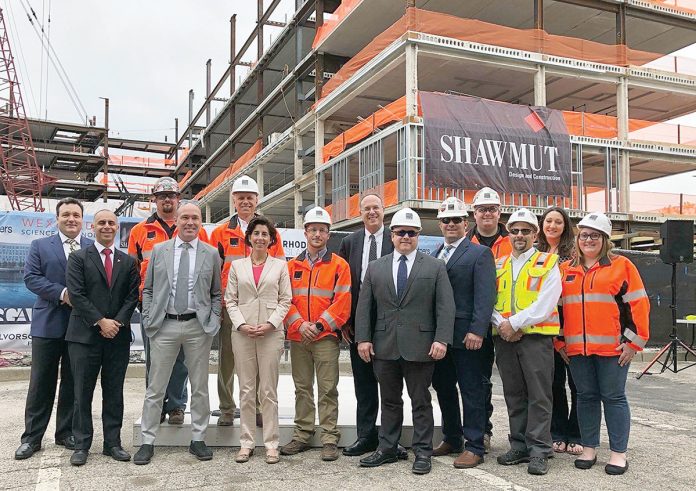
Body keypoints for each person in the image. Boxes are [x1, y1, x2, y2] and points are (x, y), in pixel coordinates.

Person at [356, 208, 455, 475]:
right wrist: (363, 339)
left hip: (421, 347)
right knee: (389, 400)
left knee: (420, 401)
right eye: (401, 232)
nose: (406, 237)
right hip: (384, 345)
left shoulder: (435, 267)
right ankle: (387, 448)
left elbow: (445, 307)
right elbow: (364, 307)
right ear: (392, 235)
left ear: (419, 236)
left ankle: (423, 452)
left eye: (411, 233)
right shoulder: (375, 268)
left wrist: (442, 339)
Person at [558, 212, 649, 475]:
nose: (588, 240)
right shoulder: (566, 270)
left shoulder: (622, 266)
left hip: (614, 350)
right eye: (584, 235)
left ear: (605, 239)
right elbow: (558, 311)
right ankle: (589, 449)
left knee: (614, 398)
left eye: (594, 235)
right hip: (576, 351)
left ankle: (618, 454)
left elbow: (639, 305)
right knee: (585, 398)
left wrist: (633, 343)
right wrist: (560, 343)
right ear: (578, 239)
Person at [134, 201, 223, 465]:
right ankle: (147, 441)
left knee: (199, 387)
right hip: (164, 325)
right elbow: (148, 289)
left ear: (200, 222)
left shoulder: (211, 253)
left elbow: (216, 293)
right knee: (155, 387)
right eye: (185, 217)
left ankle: (198, 439)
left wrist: (213, 319)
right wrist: (150, 317)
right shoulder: (159, 251)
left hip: (198, 327)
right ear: (178, 221)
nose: (190, 222)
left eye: (195, 218)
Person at [15, 198, 93, 460]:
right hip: (48, 324)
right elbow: (31, 278)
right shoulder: (40, 246)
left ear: (83, 220)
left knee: (73, 382)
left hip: (80, 327)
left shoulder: (91, 247)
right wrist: (62, 293)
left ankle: (65, 433)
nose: (71, 219)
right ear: (57, 219)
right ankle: (32, 438)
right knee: (41, 383)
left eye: (76, 215)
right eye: (66, 215)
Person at [128, 177, 208, 425]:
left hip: (186, 306)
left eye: (171, 196)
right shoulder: (140, 231)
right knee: (155, 359)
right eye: (161, 196)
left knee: (181, 360)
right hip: (153, 306)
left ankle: (176, 406)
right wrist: (140, 302)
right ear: (154, 199)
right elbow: (131, 272)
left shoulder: (196, 229)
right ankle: (156, 405)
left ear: (178, 199)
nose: (167, 200)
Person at [65, 209, 140, 466]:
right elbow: (76, 294)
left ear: (117, 227)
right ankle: (82, 444)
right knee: (81, 393)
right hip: (85, 336)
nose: (107, 226)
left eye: (111, 223)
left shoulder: (128, 262)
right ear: (93, 227)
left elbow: (132, 297)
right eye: (102, 223)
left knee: (114, 392)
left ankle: (113, 443)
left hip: (117, 337)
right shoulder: (77, 258)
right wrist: (101, 321)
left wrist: (116, 322)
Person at [209, 175, 285, 427]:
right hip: (230, 307)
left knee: (261, 361)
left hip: (263, 306)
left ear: (256, 200)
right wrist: (218, 305)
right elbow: (213, 271)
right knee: (228, 360)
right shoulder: (220, 233)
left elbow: (280, 269)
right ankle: (227, 408)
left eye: (249, 198)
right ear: (233, 201)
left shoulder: (269, 233)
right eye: (240, 198)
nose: (245, 202)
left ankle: (260, 408)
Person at [491, 208, 561, 476]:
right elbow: (487, 301)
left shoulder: (548, 262)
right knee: (514, 395)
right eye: (514, 230)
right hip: (505, 338)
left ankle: (540, 450)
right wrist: (502, 325)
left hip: (535, 339)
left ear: (535, 234)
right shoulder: (497, 264)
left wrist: (514, 324)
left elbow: (546, 302)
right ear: (508, 233)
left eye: (526, 231)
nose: (519, 235)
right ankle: (519, 445)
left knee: (539, 396)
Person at [338, 194, 406, 460]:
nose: (371, 212)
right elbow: (343, 286)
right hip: (359, 327)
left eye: (376, 207)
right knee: (364, 385)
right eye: (366, 209)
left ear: (384, 210)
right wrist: (345, 321)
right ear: (360, 213)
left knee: (391, 387)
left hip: (390, 327)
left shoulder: (396, 238)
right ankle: (366, 436)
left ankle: (392, 440)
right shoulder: (349, 242)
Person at [281, 207, 351, 461]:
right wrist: (300, 325)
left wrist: (319, 326)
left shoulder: (339, 265)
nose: (317, 234)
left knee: (328, 388)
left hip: (325, 338)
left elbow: (342, 302)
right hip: (299, 338)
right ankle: (302, 434)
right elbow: (284, 300)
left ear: (329, 234)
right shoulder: (291, 266)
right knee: (302, 388)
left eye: (322, 230)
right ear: (305, 232)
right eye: (313, 229)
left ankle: (330, 438)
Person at [430, 197, 496, 469]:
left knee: (471, 390)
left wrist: (477, 330)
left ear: (465, 223)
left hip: (468, 337)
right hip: (441, 337)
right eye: (446, 220)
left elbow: (485, 295)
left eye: (456, 220)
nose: (451, 224)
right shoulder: (434, 253)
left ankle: (475, 445)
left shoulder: (479, 253)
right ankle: (452, 437)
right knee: (444, 388)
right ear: (440, 224)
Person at [225, 216, 292, 464]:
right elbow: (230, 300)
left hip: (270, 334)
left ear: (271, 239)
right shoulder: (237, 267)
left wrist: (270, 324)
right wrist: (241, 324)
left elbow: (286, 299)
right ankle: (246, 442)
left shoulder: (280, 266)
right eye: (257, 234)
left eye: (265, 234)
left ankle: (272, 443)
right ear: (249, 238)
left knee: (268, 391)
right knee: (245, 389)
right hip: (242, 334)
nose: (261, 238)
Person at [466, 186, 511, 452]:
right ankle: (483, 430)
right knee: (479, 381)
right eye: (482, 209)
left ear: (499, 212)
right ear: (474, 213)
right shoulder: (464, 241)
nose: (487, 214)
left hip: (508, 324)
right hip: (477, 325)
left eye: (492, 209)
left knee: (517, 383)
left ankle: (527, 436)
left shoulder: (513, 240)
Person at [536, 206, 582, 456]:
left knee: (577, 385)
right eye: (548, 221)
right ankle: (557, 432)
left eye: (558, 222)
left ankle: (577, 434)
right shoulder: (536, 253)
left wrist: (564, 334)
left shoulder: (574, 256)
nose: (552, 226)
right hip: (544, 329)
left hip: (571, 327)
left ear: (565, 227)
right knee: (553, 385)